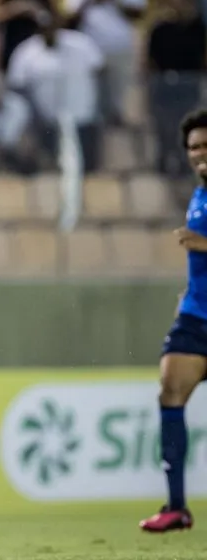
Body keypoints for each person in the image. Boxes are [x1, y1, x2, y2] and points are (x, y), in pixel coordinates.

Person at [141, 108, 207, 533]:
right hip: (197, 316)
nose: (200, 154)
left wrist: (202, 243)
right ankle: (177, 507)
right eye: (194, 147)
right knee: (170, 387)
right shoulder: (199, 194)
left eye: (206, 146)